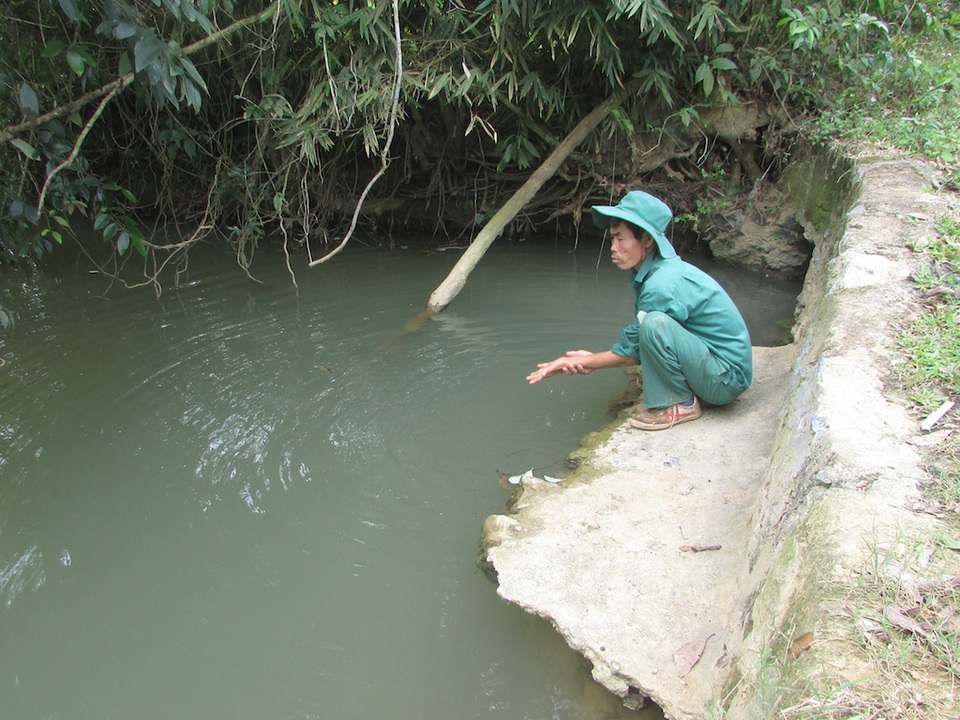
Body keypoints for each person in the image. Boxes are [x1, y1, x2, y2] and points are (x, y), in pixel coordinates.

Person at [526, 190, 753, 431]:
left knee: (654, 323)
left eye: (620, 239)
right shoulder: (655, 272)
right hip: (718, 370)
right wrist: (588, 360)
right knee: (652, 325)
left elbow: (637, 347)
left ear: (647, 240)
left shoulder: (661, 284)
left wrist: (586, 361)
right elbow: (638, 345)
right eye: (612, 238)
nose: (613, 247)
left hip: (725, 380)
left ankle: (683, 404)